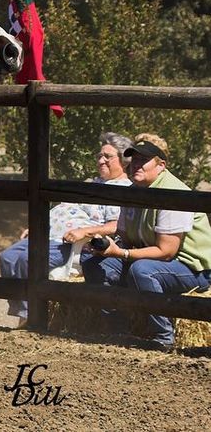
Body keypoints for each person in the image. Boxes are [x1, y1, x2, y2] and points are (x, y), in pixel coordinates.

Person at [81, 133, 211, 350]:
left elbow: (167, 252)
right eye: (134, 160)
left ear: (161, 165)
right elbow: (123, 233)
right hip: (155, 259)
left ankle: (163, 338)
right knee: (94, 263)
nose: (136, 166)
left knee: (142, 271)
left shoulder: (173, 193)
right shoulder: (132, 192)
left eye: (144, 161)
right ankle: (117, 331)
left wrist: (121, 254)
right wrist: (102, 245)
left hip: (193, 267)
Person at [0, 132, 133, 327]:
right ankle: (23, 311)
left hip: (69, 244)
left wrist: (85, 232)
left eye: (108, 156)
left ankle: (28, 317)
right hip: (47, 234)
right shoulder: (94, 183)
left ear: (124, 161)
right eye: (99, 156)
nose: (101, 160)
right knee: (7, 257)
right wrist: (36, 227)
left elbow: (115, 226)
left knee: (27, 260)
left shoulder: (122, 188)